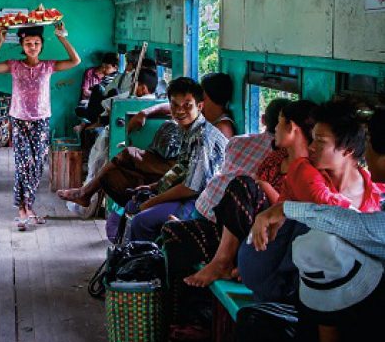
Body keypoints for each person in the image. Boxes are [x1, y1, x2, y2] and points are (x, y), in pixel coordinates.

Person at [238, 99, 382, 303]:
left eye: (320, 141)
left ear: (348, 150)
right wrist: (284, 209)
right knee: (320, 230)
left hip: (324, 282)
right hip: (269, 265)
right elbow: (323, 204)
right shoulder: (303, 169)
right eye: (312, 139)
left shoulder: (375, 190)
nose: (311, 147)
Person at [161, 97, 291, 282]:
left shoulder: (238, 142)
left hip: (212, 214)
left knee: (240, 185)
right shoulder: (274, 158)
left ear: (263, 120)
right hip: (225, 221)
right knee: (172, 231)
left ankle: (218, 259)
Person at [0, 23, 81, 230]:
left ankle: (29, 205)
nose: (33, 46)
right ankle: (22, 209)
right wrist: (0, 41)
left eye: (36, 43)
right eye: (28, 43)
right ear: (22, 45)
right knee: (22, 164)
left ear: (42, 45)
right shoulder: (14, 65)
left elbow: (75, 60)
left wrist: (62, 36)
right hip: (18, 119)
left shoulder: (48, 66)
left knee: (36, 165)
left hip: (41, 120)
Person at [126, 77, 228, 242]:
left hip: (204, 201)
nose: (180, 111)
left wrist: (151, 203)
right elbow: (182, 169)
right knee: (133, 202)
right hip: (191, 194)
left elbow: (192, 187)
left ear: (199, 106)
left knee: (141, 221)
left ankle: (148, 264)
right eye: (175, 105)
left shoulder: (202, 138)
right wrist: (154, 186)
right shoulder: (186, 129)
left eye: (187, 105)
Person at [57, 69, 166, 208]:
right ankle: (87, 193)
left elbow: (107, 106)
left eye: (134, 84)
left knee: (109, 152)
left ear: (142, 88)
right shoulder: (159, 104)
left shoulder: (127, 102)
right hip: (149, 151)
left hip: (148, 154)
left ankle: (87, 192)